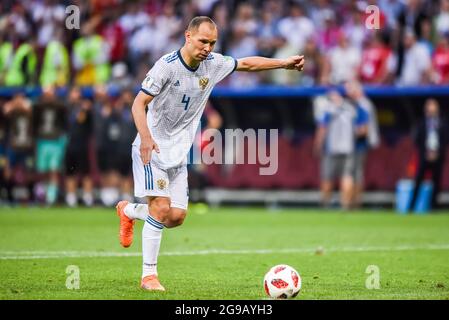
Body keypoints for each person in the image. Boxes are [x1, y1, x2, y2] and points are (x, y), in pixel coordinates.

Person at [115, 16, 304, 291]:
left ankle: (129, 210)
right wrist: (145, 137)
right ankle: (149, 277)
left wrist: (284, 63)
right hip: (151, 148)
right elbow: (138, 104)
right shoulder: (165, 67)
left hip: (179, 153)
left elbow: (247, 64)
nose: (207, 47)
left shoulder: (213, 64)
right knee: (161, 208)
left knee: (176, 217)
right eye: (203, 41)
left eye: (212, 42)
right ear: (188, 36)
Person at [313, 90, 355, 210]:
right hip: (348, 148)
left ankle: (325, 204)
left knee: (327, 177)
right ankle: (345, 205)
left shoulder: (328, 110)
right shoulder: (350, 109)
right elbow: (360, 129)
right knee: (347, 176)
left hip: (332, 149)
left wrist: (317, 145)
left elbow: (322, 128)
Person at [345, 81, 380, 208]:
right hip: (353, 144)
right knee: (353, 174)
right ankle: (351, 201)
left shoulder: (363, 104)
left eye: (350, 90)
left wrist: (348, 133)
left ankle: (355, 202)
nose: (348, 93)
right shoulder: (354, 104)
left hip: (359, 144)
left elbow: (364, 129)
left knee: (355, 174)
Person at [409, 99, 448, 211]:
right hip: (424, 156)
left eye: (433, 106)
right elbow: (416, 139)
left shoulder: (442, 123)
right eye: (429, 106)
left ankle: (433, 207)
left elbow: (445, 140)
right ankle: (411, 207)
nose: (431, 108)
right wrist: (425, 152)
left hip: (438, 157)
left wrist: (437, 153)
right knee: (418, 182)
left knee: (436, 182)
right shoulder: (421, 123)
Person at [64, 87, 94, 207]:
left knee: (85, 172)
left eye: (76, 93)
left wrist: (87, 109)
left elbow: (90, 124)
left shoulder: (85, 108)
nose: (74, 95)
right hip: (69, 144)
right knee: (70, 172)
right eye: (73, 93)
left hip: (82, 145)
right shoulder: (67, 109)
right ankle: (71, 197)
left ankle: (88, 197)